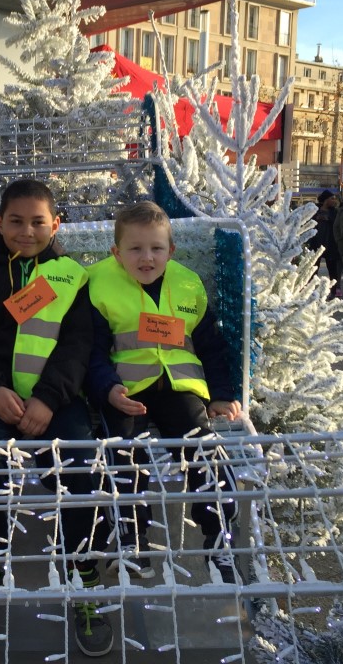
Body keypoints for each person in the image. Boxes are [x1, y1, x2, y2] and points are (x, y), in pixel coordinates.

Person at [0, 179, 112, 659]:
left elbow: (78, 346)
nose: (26, 230)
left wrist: (46, 399)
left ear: (55, 225)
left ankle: (84, 577)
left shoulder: (71, 276)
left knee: (79, 468)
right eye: (15, 221)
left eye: (38, 221)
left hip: (55, 402)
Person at [85, 201, 242, 583]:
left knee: (200, 446)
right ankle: (132, 541)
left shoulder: (188, 283)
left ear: (171, 251)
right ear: (116, 252)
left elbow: (210, 345)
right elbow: (90, 350)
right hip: (126, 390)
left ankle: (218, 537)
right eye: (135, 249)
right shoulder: (97, 283)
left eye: (156, 248)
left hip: (179, 388)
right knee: (122, 452)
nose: (146, 258)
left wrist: (220, 393)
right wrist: (107, 389)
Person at [307, 190, 342, 298]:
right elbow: (307, 223)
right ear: (326, 200)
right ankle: (310, 292)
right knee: (313, 270)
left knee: (333, 270)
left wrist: (328, 219)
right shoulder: (314, 210)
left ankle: (334, 291)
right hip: (316, 244)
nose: (334, 200)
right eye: (332, 198)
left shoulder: (334, 212)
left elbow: (338, 224)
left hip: (330, 245)